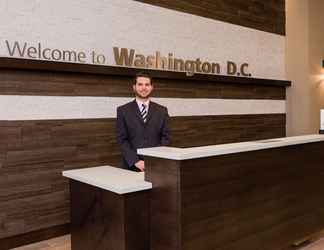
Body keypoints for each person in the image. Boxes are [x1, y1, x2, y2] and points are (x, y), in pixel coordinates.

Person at [116, 72, 170, 171]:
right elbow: (122, 140)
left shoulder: (162, 110)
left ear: (152, 87)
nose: (143, 88)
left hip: (157, 165)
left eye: (147, 84)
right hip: (131, 166)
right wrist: (135, 161)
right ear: (134, 87)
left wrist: (154, 159)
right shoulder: (123, 110)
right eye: (140, 84)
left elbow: (166, 138)